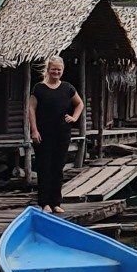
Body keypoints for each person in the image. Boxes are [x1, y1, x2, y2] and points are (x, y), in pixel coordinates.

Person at [26, 55, 84, 213]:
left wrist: (74, 117)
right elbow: (31, 109)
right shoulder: (39, 88)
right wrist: (34, 130)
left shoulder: (67, 88)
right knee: (44, 167)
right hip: (43, 134)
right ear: (48, 69)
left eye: (59, 70)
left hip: (62, 133)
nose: (56, 72)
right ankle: (44, 203)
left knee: (58, 167)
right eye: (53, 69)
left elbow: (79, 104)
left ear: (62, 70)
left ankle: (56, 202)